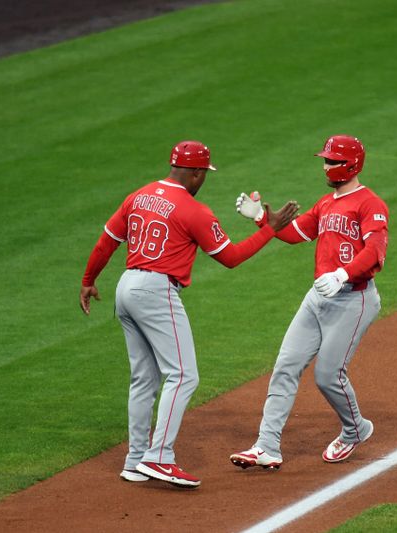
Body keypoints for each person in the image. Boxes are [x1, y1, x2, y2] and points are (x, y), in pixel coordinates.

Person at [79, 140, 299, 487]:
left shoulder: (139, 196)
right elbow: (231, 258)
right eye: (204, 174)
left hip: (126, 287)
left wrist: (89, 280)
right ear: (196, 173)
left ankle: (135, 460)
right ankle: (159, 458)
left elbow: (107, 240)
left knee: (144, 379)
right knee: (183, 375)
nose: (204, 180)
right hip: (155, 291)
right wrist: (270, 228)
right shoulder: (193, 210)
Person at [229, 134, 388, 469]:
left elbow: (375, 251)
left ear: (352, 164)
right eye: (325, 160)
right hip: (317, 298)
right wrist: (261, 218)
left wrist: (342, 275)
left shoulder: (370, 204)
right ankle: (267, 446)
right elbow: (293, 234)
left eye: (332, 161)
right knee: (286, 366)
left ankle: (355, 429)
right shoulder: (326, 203)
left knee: (328, 376)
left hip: (353, 300)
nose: (326, 166)